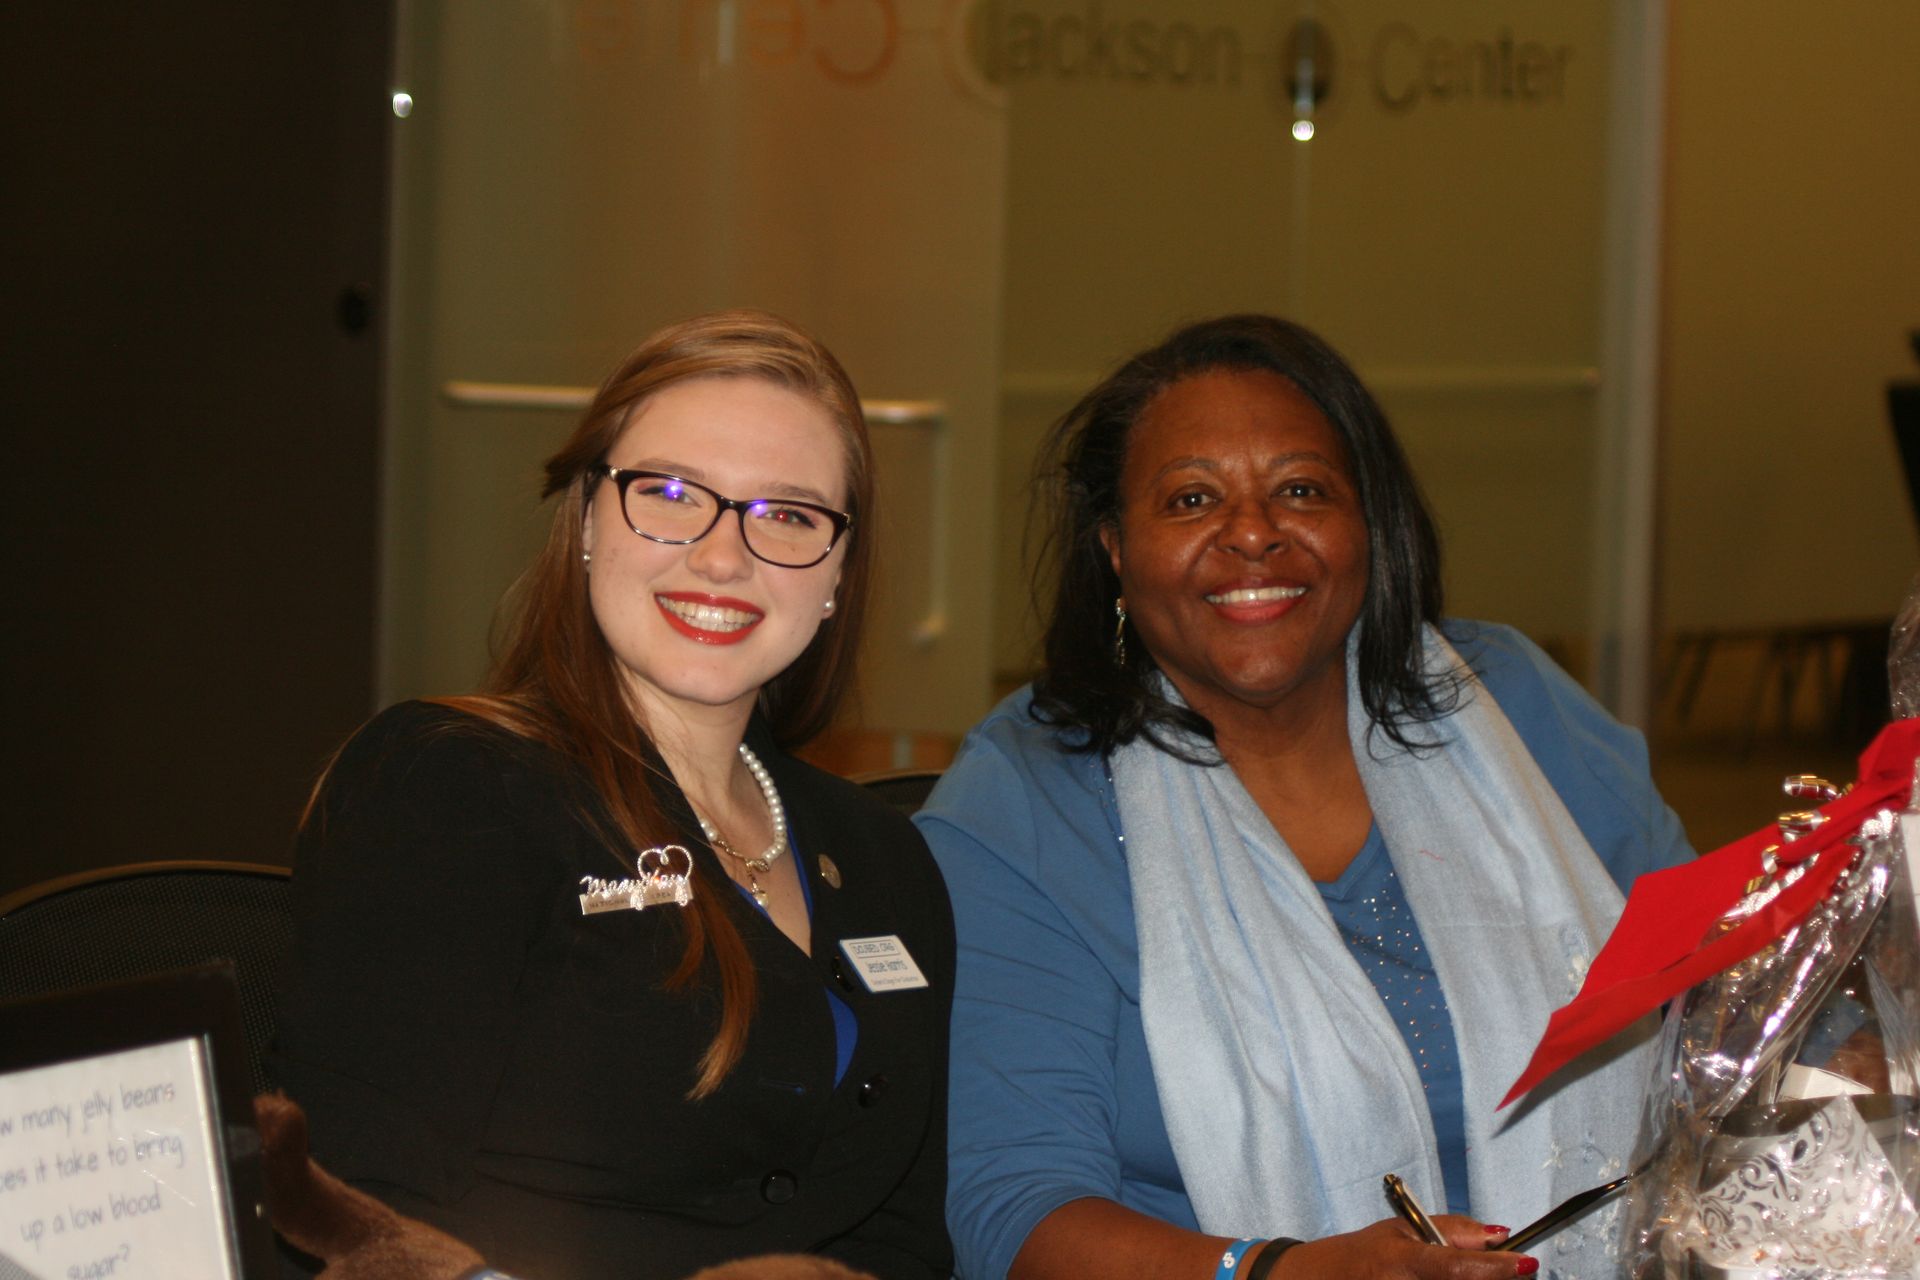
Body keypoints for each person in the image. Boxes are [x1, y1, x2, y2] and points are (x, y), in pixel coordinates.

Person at [914, 315, 1691, 1280]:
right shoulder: (1025, 802)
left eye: (1301, 490)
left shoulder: (1510, 702)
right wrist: (1281, 1273)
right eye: (1192, 498)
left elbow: (1719, 985)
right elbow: (1013, 1213)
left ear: (1370, 524)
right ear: (1115, 548)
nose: (1252, 534)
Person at [275, 310, 955, 1280]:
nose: (725, 556)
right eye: (672, 492)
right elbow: (355, 1212)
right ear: (589, 517)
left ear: (839, 571)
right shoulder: (450, 787)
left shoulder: (888, 856)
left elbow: (903, 1244)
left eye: (790, 514)